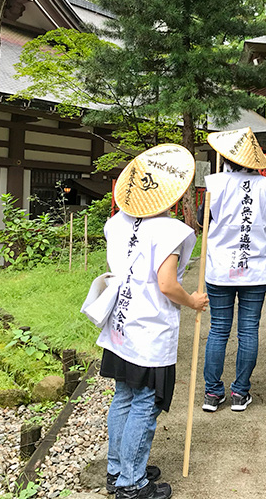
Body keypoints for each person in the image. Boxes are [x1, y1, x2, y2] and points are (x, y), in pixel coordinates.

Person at [97, 144, 208, 499]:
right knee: (147, 401)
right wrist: (192, 300)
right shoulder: (169, 231)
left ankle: (118, 468)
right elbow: (167, 284)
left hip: (121, 323)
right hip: (149, 326)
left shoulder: (115, 223)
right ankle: (131, 483)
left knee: (124, 397)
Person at [200, 127, 266, 412]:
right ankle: (239, 393)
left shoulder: (215, 184)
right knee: (248, 330)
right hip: (254, 268)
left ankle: (212, 394)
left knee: (219, 329)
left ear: (228, 158)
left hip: (220, 268)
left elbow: (203, 220)